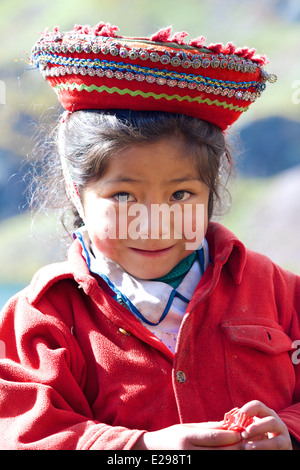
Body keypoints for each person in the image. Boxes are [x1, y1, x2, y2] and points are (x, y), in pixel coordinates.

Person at [0, 21, 298, 450]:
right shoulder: (41, 320)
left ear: (211, 192)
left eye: (181, 193)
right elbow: (25, 435)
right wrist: (146, 450)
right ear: (76, 192)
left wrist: (288, 430)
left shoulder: (277, 292)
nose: (154, 222)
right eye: (123, 195)